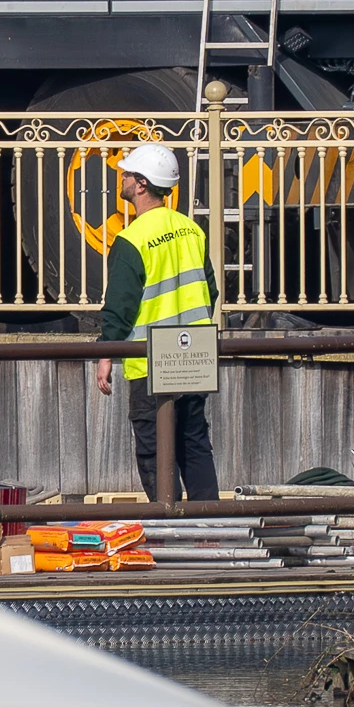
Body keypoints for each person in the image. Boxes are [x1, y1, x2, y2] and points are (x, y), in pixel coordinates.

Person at [94, 144, 221, 502]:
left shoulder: (132, 239)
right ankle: (211, 525)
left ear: (142, 185)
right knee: (194, 442)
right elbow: (208, 291)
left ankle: (169, 525)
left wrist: (106, 355)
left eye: (128, 173)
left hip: (150, 361)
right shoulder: (190, 230)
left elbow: (120, 306)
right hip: (193, 354)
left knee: (153, 448)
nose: (123, 177)